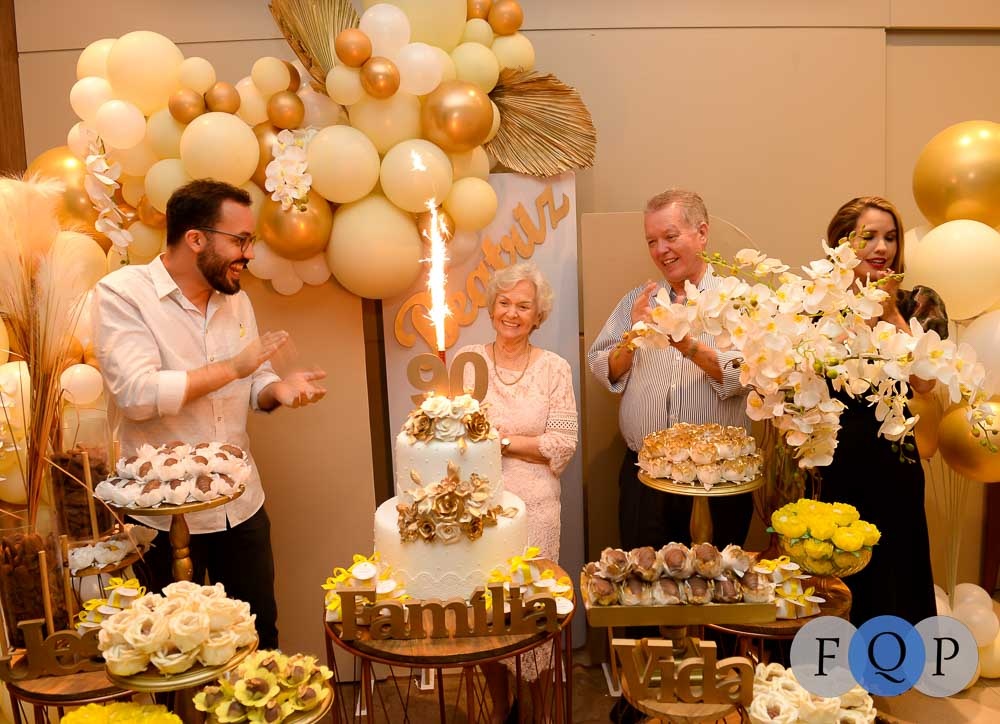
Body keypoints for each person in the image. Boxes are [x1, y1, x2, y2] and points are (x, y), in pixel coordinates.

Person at [94, 179, 327, 649]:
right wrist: (232, 368)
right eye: (240, 240)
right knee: (168, 651)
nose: (250, 254)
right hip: (161, 517)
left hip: (241, 503)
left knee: (257, 638)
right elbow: (136, 394)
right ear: (196, 239)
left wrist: (276, 391)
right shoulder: (123, 294)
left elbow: (252, 380)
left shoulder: (236, 299)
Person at [587, 189, 752, 552]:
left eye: (670, 236)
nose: (661, 250)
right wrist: (633, 335)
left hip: (716, 481)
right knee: (642, 579)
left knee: (715, 581)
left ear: (702, 233)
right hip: (644, 478)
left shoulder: (737, 300)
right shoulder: (638, 301)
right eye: (652, 241)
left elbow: (747, 375)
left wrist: (685, 344)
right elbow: (602, 367)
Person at [458, 261, 577, 722]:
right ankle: (498, 708)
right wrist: (516, 443)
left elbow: (561, 443)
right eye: (504, 302)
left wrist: (501, 441)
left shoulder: (554, 368)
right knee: (485, 614)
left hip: (535, 511)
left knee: (532, 613)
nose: (512, 313)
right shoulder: (468, 361)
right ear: (492, 307)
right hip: (478, 509)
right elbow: (452, 434)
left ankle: (536, 709)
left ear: (537, 315)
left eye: (523, 306)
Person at [817, 195, 941, 626]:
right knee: (837, 573)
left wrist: (889, 313)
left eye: (890, 237)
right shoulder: (817, 305)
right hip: (833, 458)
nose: (882, 248)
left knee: (896, 566)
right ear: (841, 243)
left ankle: (893, 656)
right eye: (868, 237)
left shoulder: (918, 303)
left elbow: (925, 382)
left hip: (893, 460)